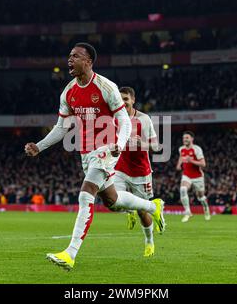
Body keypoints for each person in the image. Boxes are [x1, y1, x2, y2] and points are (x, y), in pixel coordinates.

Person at [24, 43, 165, 270]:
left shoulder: (106, 87)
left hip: (107, 149)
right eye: (68, 55)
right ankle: (152, 207)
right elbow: (61, 127)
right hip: (86, 153)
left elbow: (125, 121)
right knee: (113, 201)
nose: (69, 59)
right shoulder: (68, 92)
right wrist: (39, 147)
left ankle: (70, 253)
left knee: (85, 194)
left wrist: (118, 144)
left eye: (75, 56)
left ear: (88, 61)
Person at [114, 86, 162, 257]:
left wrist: (142, 144)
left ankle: (149, 241)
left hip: (141, 172)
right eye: (120, 99)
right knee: (114, 201)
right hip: (120, 168)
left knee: (143, 212)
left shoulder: (144, 119)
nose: (123, 102)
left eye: (126, 99)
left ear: (133, 100)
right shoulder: (113, 118)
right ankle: (129, 210)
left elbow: (156, 146)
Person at [176, 131, 211, 222]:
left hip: (198, 177)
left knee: (200, 196)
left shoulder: (197, 149)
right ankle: (188, 212)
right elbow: (181, 157)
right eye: (184, 138)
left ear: (192, 139)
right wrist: (179, 164)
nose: (185, 140)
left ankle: (206, 208)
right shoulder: (181, 149)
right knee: (183, 189)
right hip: (186, 175)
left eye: (187, 138)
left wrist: (191, 161)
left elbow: (203, 164)